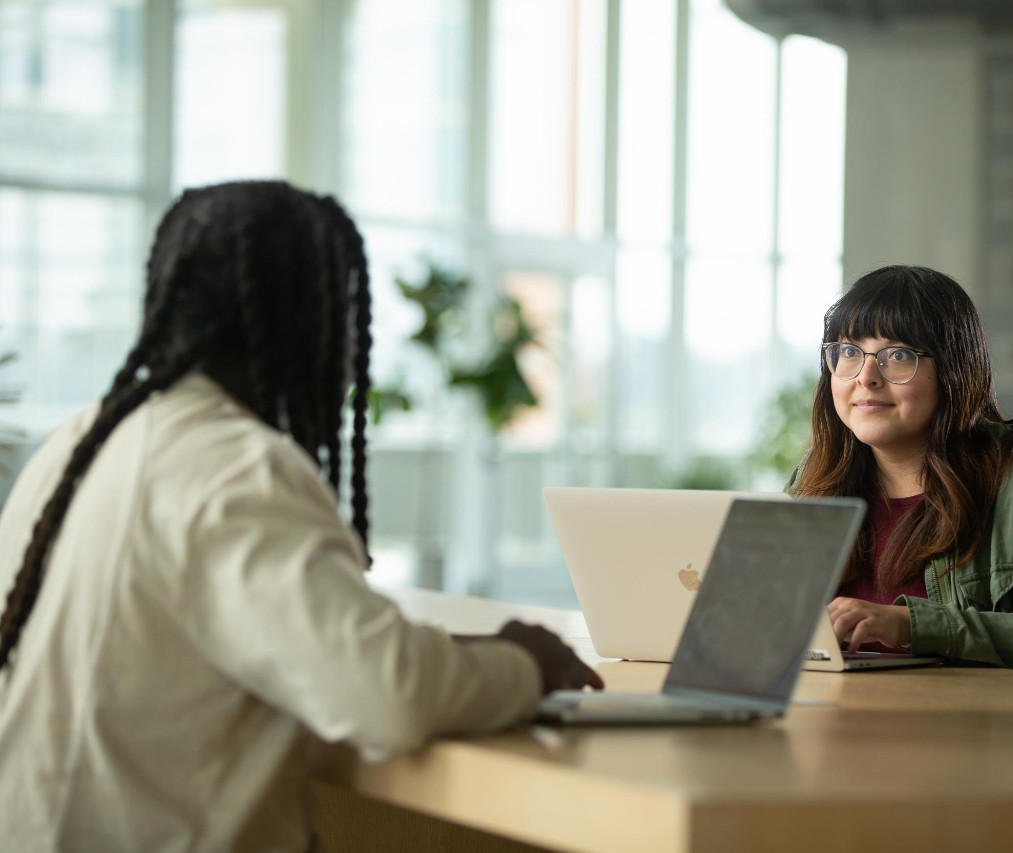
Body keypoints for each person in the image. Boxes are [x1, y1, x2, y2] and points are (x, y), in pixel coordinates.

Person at [0, 180, 603, 851]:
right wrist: (524, 664)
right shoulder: (238, 467)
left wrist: (438, 652)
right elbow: (388, 698)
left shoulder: (76, 447)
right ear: (303, 318)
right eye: (344, 310)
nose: (354, 340)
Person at [790, 264, 1013, 682]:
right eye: (849, 352)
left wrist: (910, 626)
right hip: (837, 732)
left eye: (897, 355)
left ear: (953, 371)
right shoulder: (816, 477)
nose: (866, 377)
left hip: (987, 741)